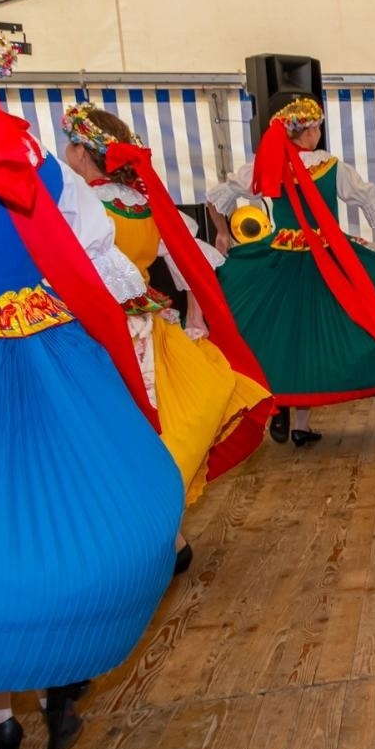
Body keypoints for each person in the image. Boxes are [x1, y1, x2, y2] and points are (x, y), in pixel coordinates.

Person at [0, 13, 184, 749]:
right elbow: (101, 262)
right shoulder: (35, 157)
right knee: (60, 509)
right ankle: (31, 694)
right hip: (52, 351)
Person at [60, 103, 272, 571]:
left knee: (112, 430)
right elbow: (191, 262)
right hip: (150, 327)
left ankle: (145, 538)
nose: (66, 152)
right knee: (158, 425)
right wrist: (196, 322)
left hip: (105, 330)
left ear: (82, 152)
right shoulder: (140, 203)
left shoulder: (84, 204)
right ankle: (169, 534)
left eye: (70, 145)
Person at [206, 97, 375, 445]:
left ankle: (288, 416)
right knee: (318, 338)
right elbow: (369, 200)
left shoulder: (266, 164)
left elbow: (217, 197)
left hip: (281, 259)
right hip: (327, 260)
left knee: (281, 336)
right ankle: (297, 421)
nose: (319, 133)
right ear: (307, 130)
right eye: (317, 127)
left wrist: (222, 232)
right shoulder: (330, 166)